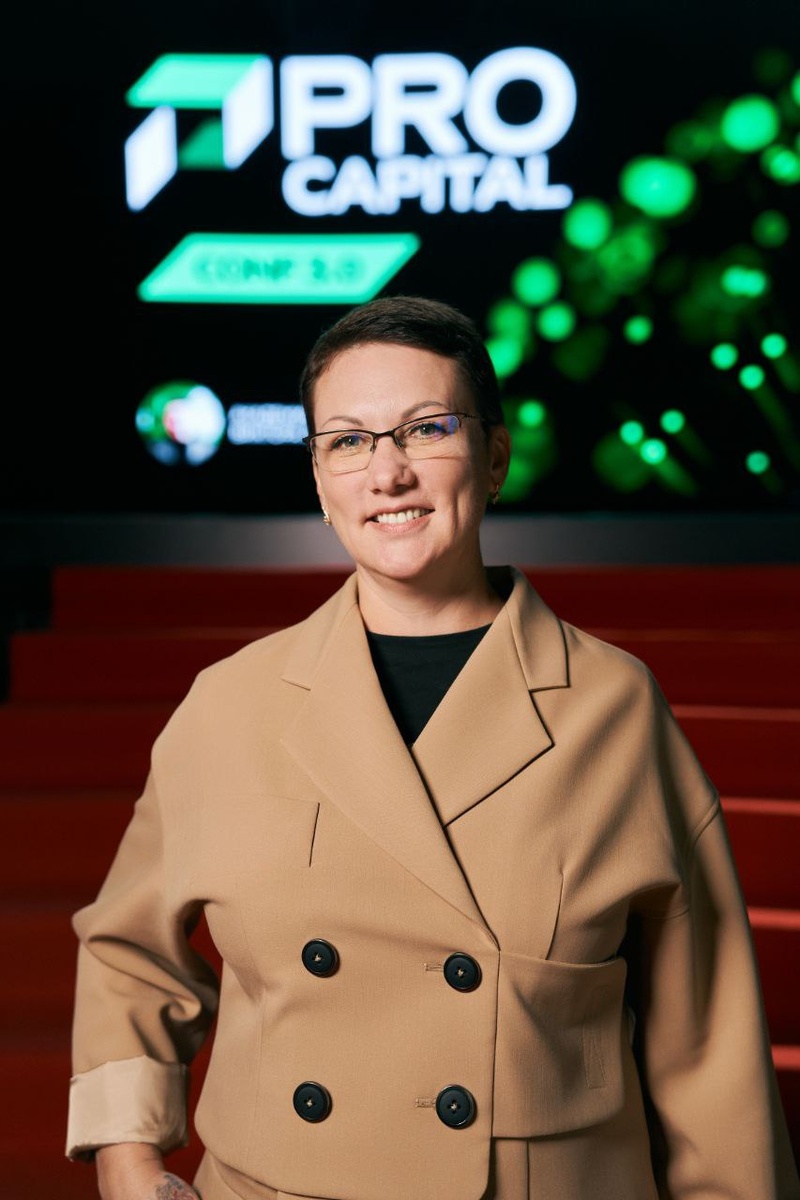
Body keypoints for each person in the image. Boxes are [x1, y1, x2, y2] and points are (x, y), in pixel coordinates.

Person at [67, 295, 799, 1200]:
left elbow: (706, 1033)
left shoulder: (614, 705)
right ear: (320, 479)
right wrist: (127, 1158)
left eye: (426, 429)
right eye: (348, 441)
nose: (388, 472)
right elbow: (128, 952)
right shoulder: (230, 704)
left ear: (495, 457)